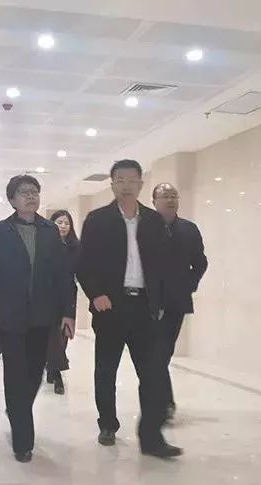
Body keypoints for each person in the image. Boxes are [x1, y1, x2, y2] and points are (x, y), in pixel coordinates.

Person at [77, 159, 180, 458]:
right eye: (120, 180)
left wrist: (161, 301)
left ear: (141, 184)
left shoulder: (154, 221)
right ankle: (108, 424)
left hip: (145, 308)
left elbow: (163, 265)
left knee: (153, 373)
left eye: (132, 180)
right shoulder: (98, 220)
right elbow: (84, 263)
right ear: (112, 184)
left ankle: (151, 437)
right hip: (111, 306)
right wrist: (96, 294)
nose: (126, 185)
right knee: (106, 370)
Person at [0, 175, 76, 463]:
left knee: (33, 374)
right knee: (15, 373)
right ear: (12, 199)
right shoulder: (1, 230)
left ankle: (18, 409)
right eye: (23, 192)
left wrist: (68, 312)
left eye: (34, 192)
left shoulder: (49, 230)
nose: (30, 196)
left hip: (43, 315)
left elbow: (62, 274)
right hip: (10, 315)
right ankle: (23, 439)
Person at [151, 183, 208, 420]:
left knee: (162, 353)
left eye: (174, 195)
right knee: (153, 355)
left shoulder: (188, 229)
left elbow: (201, 263)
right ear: (154, 201)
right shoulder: (145, 227)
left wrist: (188, 285)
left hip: (175, 302)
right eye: (165, 196)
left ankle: (164, 403)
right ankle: (163, 402)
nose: (170, 199)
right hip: (148, 302)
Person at [45, 209, 81, 395]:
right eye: (59, 222)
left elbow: (82, 271)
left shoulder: (76, 247)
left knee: (64, 333)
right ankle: (57, 373)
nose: (63, 226)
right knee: (52, 335)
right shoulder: (45, 244)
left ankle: (53, 367)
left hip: (68, 295)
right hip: (47, 295)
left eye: (67, 223)